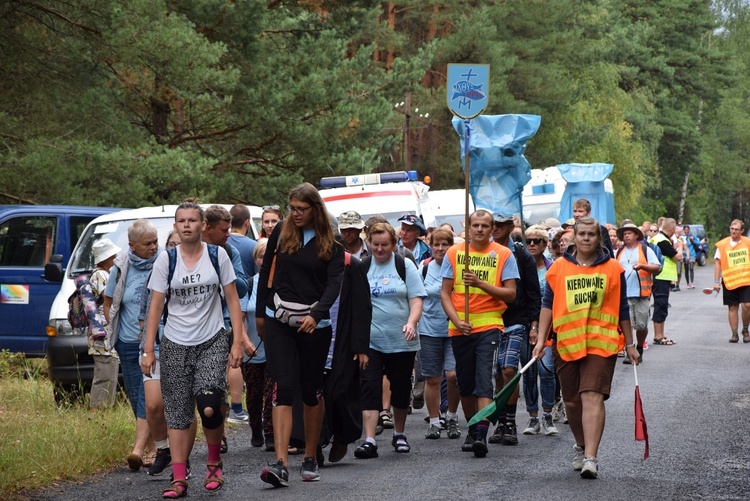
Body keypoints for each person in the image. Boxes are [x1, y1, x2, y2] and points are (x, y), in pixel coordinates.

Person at [142, 200, 251, 498]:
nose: (187, 225)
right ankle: (179, 478)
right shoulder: (167, 259)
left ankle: (214, 462)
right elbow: (155, 306)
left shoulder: (218, 256)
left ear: (202, 225)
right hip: (175, 343)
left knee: (210, 404)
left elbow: (232, 299)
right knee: (177, 414)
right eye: (182, 221)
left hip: (212, 339)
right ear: (176, 226)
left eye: (192, 220)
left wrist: (238, 340)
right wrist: (149, 349)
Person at [533, 217, 638, 480]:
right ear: (574, 238)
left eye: (592, 234)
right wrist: (540, 340)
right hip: (566, 342)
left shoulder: (613, 269)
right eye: (582, 234)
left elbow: (622, 307)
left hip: (601, 344)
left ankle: (591, 456)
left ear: (599, 239)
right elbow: (548, 304)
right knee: (571, 400)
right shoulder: (558, 268)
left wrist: (631, 343)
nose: (586, 238)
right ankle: (580, 446)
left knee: (592, 396)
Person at [256, 183, 345, 486]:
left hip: (314, 324)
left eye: (300, 209)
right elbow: (267, 269)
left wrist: (316, 314)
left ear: (315, 209)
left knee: (311, 390)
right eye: (291, 208)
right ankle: (281, 463)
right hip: (278, 318)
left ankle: (310, 454)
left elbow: (334, 285)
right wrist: (259, 314)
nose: (294, 213)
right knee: (284, 384)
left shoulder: (332, 240)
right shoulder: (281, 230)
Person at [440, 210, 518, 458]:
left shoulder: (504, 254)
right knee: (465, 384)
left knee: (484, 381)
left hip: (490, 327)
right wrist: (456, 320)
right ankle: (473, 428)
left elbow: (511, 294)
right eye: (476, 225)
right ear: (469, 227)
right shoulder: (455, 252)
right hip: (460, 328)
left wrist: (481, 283)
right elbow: (445, 292)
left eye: (485, 225)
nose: (480, 230)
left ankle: (481, 435)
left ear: (493, 228)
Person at [353, 222, 425, 459]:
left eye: (385, 245)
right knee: (369, 387)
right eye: (375, 245)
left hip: (401, 340)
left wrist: (411, 322)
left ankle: (400, 434)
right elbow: (354, 306)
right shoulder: (362, 267)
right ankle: (370, 439)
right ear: (369, 244)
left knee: (401, 389)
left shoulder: (404, 265)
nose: (380, 249)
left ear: (394, 244)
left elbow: (416, 300)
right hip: (371, 341)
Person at [103, 220, 159, 472]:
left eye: (155, 241)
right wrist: (111, 327)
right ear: (132, 246)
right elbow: (108, 302)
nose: (153, 247)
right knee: (136, 393)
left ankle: (147, 449)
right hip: (127, 341)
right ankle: (152, 448)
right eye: (147, 243)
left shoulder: (163, 263)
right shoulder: (121, 267)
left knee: (147, 396)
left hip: (154, 342)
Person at [487, 213, 541, 446]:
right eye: (493, 225)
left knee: (509, 370)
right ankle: (501, 422)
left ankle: (510, 422)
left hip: (515, 320)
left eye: (501, 225)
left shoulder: (521, 255)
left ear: (511, 227)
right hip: (487, 320)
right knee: (496, 373)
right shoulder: (479, 252)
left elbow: (533, 292)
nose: (496, 228)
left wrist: (535, 324)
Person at [202, 205, 250, 430]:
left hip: (221, 326)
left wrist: (224, 268)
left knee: (216, 386)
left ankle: (218, 435)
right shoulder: (190, 252)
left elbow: (241, 288)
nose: (228, 234)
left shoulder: (230, 252)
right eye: (223, 230)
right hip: (191, 329)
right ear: (207, 228)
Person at [323, 249, 371, 462]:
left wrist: (360, 346)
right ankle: (314, 443)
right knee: (314, 394)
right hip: (313, 335)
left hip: (343, 339)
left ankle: (342, 437)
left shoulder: (352, 265)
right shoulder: (307, 260)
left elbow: (362, 307)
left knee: (339, 392)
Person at [418, 228, 461, 441]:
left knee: (453, 376)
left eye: (445, 244)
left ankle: (452, 417)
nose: (441, 248)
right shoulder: (424, 269)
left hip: (454, 329)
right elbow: (416, 296)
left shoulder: (458, 268)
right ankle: (434, 421)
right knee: (433, 378)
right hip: (429, 330)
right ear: (430, 246)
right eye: (437, 244)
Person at [518, 225, 558, 437]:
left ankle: (548, 415)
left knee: (546, 370)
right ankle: (533, 417)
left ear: (545, 244)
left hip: (548, 327)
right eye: (529, 241)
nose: (532, 244)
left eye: (537, 241)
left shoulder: (553, 268)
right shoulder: (520, 266)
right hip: (526, 325)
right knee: (529, 371)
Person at [241, 239, 273, 449]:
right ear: (255, 259)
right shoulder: (249, 284)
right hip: (251, 350)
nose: (264, 260)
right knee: (254, 394)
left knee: (272, 393)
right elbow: (239, 316)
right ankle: (256, 426)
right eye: (261, 256)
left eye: (268, 256)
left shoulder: (281, 283)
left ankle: (271, 432)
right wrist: (243, 341)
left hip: (275, 350)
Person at [83, 238, 121, 413]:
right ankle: (97, 411)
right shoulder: (101, 275)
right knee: (105, 374)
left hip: (105, 335)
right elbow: (110, 295)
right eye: (114, 256)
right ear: (106, 259)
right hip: (103, 336)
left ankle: (104, 410)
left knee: (110, 373)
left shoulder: (102, 274)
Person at [615, 223, 661, 364]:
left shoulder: (645, 250)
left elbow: (657, 267)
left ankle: (640, 347)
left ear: (636, 235)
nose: (626, 235)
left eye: (629, 233)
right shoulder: (619, 251)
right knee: (626, 324)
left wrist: (643, 266)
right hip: (624, 294)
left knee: (641, 325)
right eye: (624, 233)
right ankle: (631, 350)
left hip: (642, 293)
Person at [713, 219, 750, 343]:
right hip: (730, 281)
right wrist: (716, 282)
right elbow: (717, 263)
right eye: (731, 229)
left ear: (742, 231)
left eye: (736, 229)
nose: (733, 231)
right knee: (733, 307)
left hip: (746, 280)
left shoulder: (748, 242)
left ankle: (745, 329)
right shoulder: (722, 244)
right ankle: (734, 333)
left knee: (747, 305)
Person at [649, 218, 682, 345]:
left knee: (661, 304)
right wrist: (679, 247)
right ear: (673, 229)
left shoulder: (657, 238)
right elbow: (677, 257)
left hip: (659, 276)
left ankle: (661, 334)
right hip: (661, 276)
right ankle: (658, 336)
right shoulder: (662, 241)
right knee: (660, 305)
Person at [228, 204, 258, 277]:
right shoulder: (254, 246)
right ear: (247, 222)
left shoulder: (220, 242)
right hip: (246, 287)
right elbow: (258, 276)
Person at [682, 225, 697, 289]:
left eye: (687, 230)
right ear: (683, 230)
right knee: (686, 269)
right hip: (685, 254)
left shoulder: (692, 236)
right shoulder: (681, 237)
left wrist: (692, 240)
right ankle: (688, 283)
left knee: (691, 268)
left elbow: (698, 243)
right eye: (685, 230)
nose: (686, 231)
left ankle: (692, 282)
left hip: (692, 254)